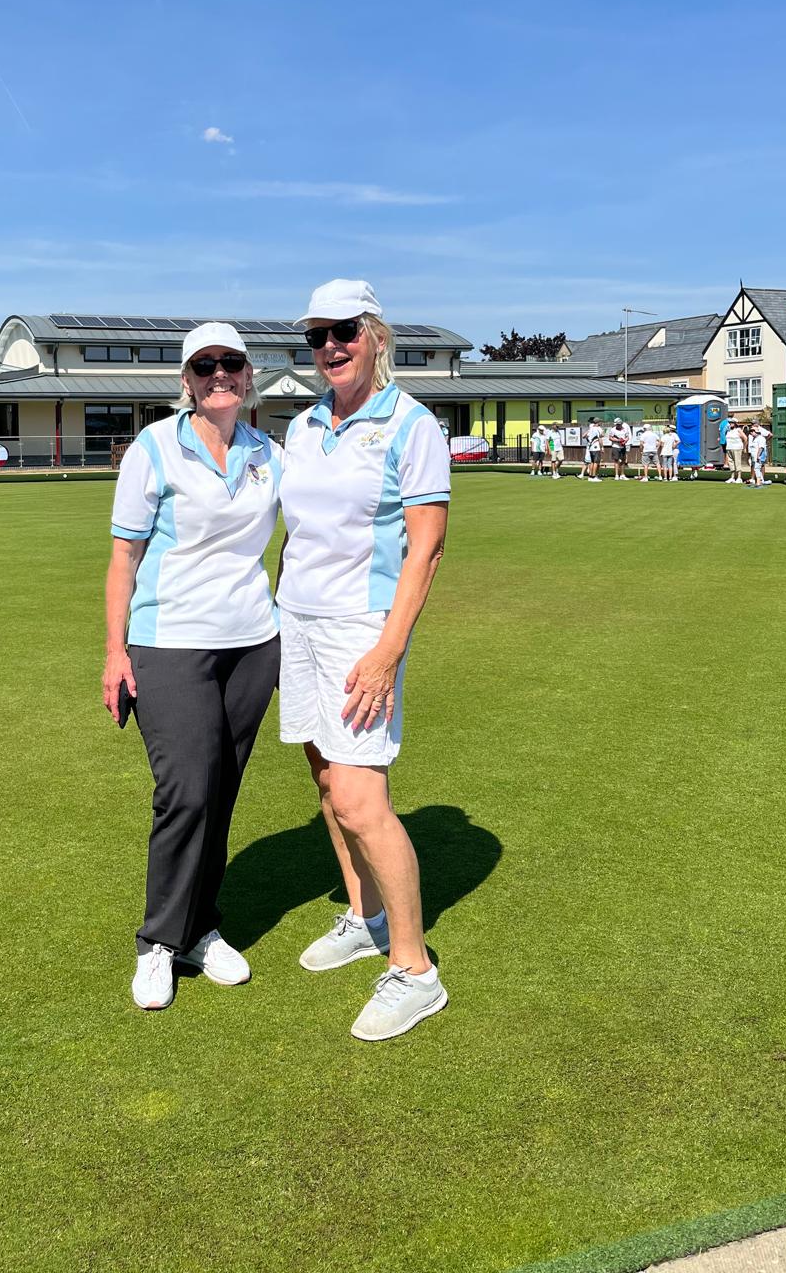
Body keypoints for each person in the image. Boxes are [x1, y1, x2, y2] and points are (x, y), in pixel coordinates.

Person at [277, 279, 450, 1042]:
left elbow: (427, 546)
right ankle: (365, 917)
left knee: (358, 797)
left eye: (344, 331)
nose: (330, 349)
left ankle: (414, 971)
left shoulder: (412, 425)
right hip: (299, 620)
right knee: (324, 780)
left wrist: (388, 650)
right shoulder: (305, 425)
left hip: (360, 629)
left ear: (377, 334)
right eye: (317, 337)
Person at [103, 323, 282, 1011]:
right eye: (204, 366)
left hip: (252, 642)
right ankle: (158, 942)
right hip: (169, 639)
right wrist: (115, 652)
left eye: (230, 364)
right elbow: (124, 557)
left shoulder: (271, 451)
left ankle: (201, 929)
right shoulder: (153, 448)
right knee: (187, 791)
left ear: (247, 375)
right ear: (186, 380)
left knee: (222, 790)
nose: (218, 375)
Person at [724, 418, 746, 482]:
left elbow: (745, 438)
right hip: (729, 448)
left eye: (732, 423)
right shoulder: (728, 431)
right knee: (731, 463)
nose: (730, 424)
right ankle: (732, 477)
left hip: (737, 448)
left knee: (737, 462)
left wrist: (744, 448)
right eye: (730, 423)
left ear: (735, 423)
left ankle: (739, 478)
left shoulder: (738, 430)